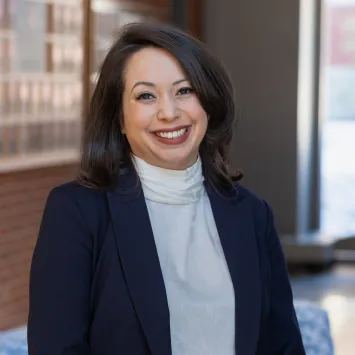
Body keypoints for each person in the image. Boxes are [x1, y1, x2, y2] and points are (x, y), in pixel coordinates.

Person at [27, 23, 305, 355]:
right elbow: (56, 348)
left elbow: (283, 345)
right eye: (146, 95)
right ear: (119, 118)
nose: (169, 112)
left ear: (208, 103)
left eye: (184, 91)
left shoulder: (252, 214)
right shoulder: (77, 211)